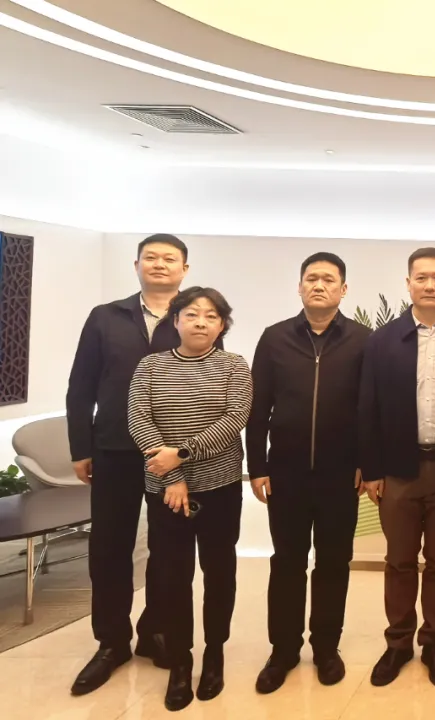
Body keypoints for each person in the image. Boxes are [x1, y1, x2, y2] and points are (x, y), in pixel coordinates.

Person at [67, 234, 205, 696]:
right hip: (113, 449)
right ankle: (111, 642)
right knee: (109, 548)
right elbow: (80, 386)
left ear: (185, 269)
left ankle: (155, 631)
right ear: (137, 265)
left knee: (168, 550)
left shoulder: (195, 316)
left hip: (170, 457)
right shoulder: (105, 317)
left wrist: (188, 453)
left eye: (170, 259)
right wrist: (80, 446)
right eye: (151, 257)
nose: (160, 264)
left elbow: (207, 384)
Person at [358, 247, 435, 689]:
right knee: (398, 560)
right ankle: (397, 643)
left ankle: (434, 641)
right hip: (397, 471)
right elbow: (367, 407)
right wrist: (371, 470)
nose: (430, 285)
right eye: (421, 277)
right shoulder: (382, 340)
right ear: (408, 283)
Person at [246, 252, 371, 694]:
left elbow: (370, 409)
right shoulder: (275, 338)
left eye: (329, 279)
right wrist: (256, 466)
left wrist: (368, 463)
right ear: (300, 287)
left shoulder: (362, 340)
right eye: (312, 278)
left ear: (343, 289)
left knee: (334, 563)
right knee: (287, 563)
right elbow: (258, 407)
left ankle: (326, 648)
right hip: (286, 474)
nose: (319, 285)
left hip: (341, 476)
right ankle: (282, 650)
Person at [127, 287, 252, 711]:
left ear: (222, 325)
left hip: (220, 488)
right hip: (165, 491)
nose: (201, 322)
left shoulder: (234, 366)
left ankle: (214, 652)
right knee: (172, 576)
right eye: (192, 314)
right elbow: (139, 420)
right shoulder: (150, 366)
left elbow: (234, 420)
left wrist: (180, 454)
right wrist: (175, 476)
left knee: (219, 573)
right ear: (175, 320)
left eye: (211, 316)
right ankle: (180, 660)